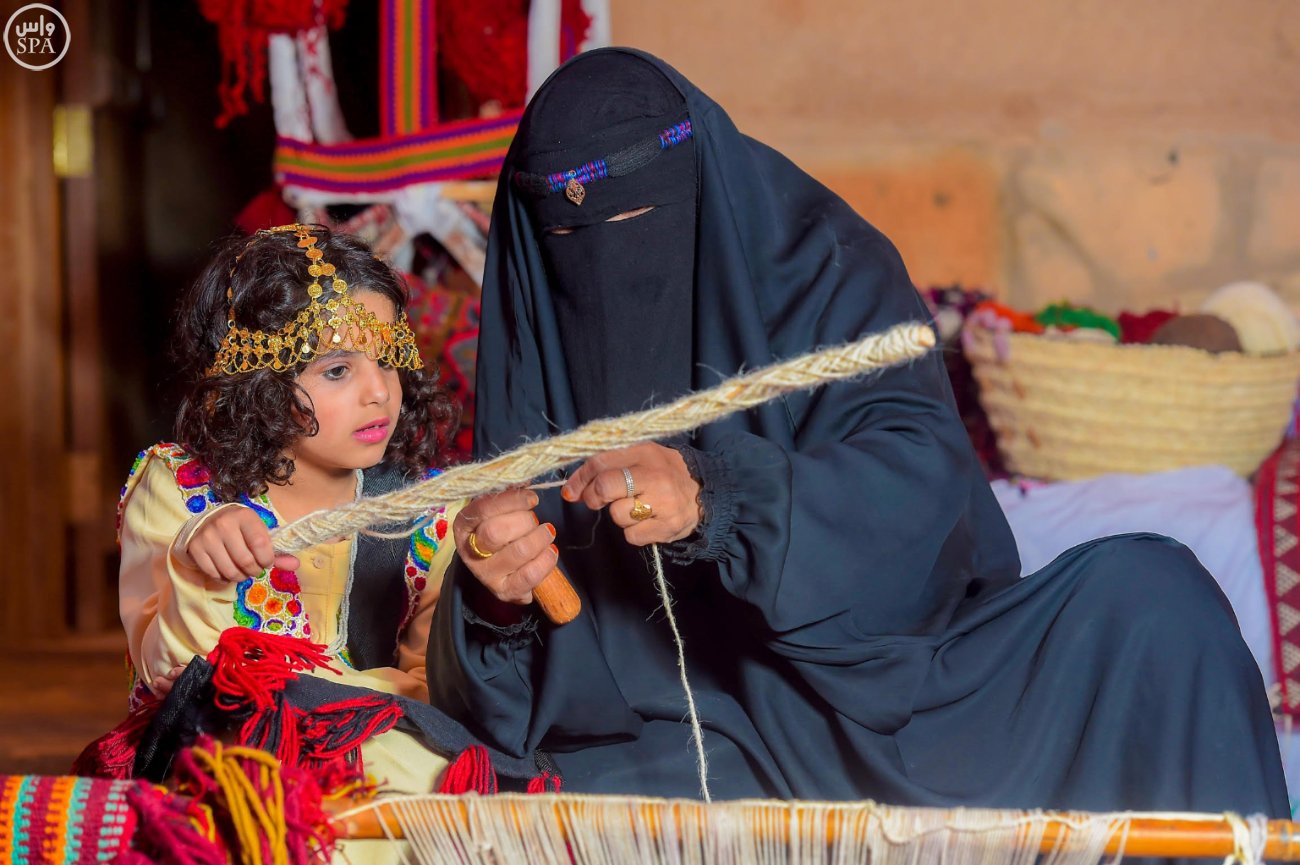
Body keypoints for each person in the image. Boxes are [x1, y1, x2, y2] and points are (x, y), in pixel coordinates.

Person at [428, 48, 1290, 814]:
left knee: (1155, 603)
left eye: (638, 223)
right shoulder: (533, 335)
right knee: (552, 796)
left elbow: (917, 483)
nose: (604, 263)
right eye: (569, 235)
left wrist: (720, 499)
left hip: (882, 681)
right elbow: (507, 696)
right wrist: (497, 593)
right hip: (684, 729)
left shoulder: (823, 271)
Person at [117, 224, 464, 794]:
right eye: (337, 370)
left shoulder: (428, 508)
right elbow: (178, 679)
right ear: (260, 383)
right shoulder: (180, 485)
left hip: (387, 752)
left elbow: (442, 689)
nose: (378, 391)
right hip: (224, 759)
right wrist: (197, 558)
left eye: (389, 359)